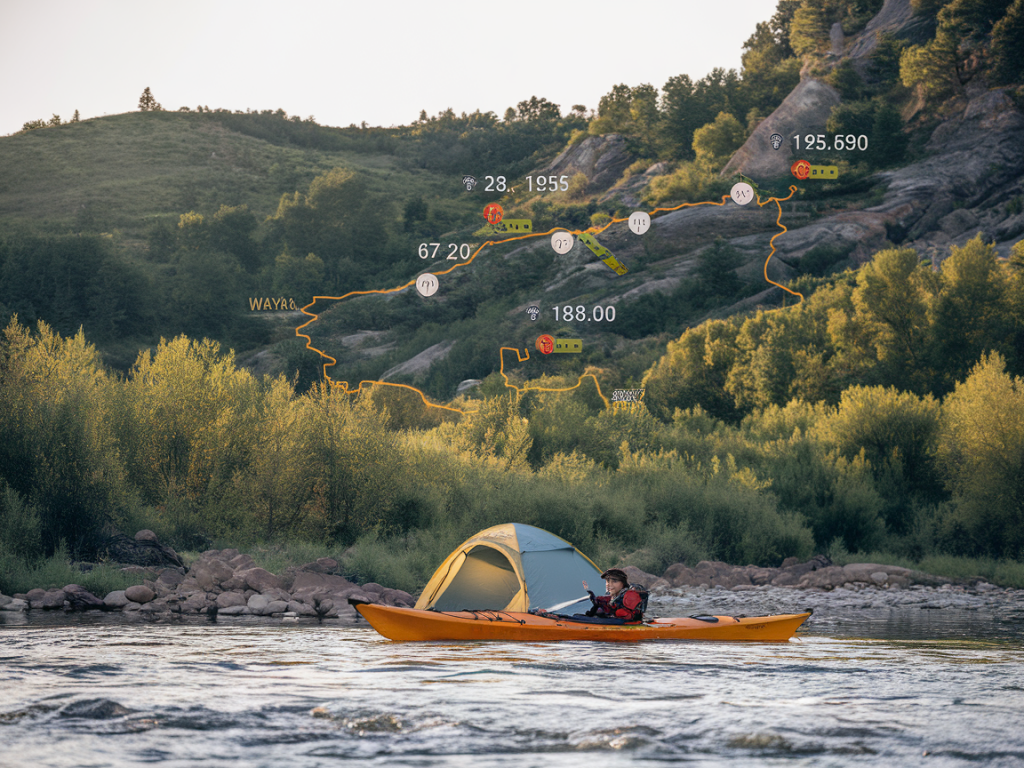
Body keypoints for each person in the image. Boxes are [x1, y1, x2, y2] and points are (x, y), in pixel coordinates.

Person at [582, 569, 647, 623]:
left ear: (623, 583)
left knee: (619, 612)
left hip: (627, 623)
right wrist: (593, 596)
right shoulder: (615, 595)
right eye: (607, 581)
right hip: (616, 620)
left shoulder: (630, 595)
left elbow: (628, 615)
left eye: (614, 581)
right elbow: (605, 600)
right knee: (598, 608)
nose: (609, 584)